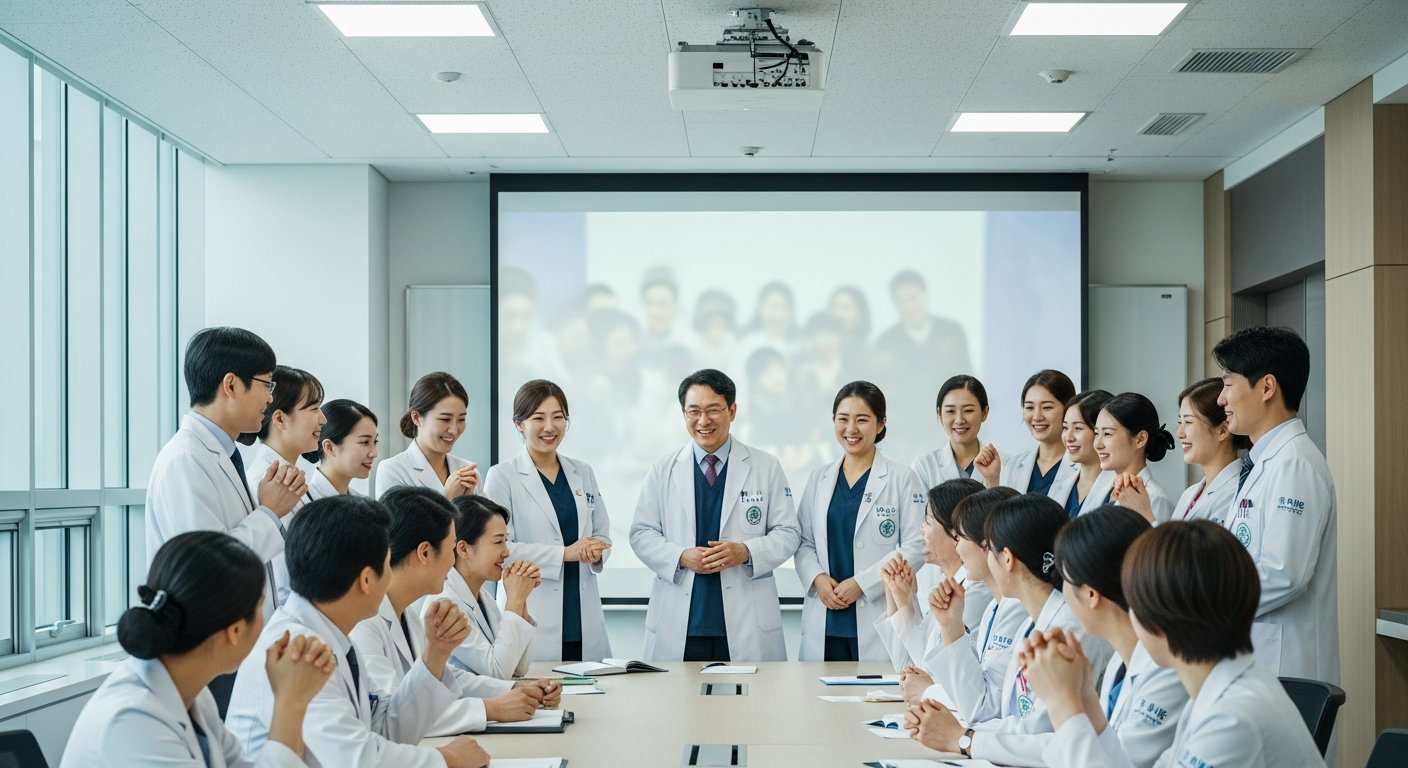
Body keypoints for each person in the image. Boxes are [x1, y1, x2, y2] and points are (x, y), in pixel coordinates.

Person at [1019, 521, 1325, 768]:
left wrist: (1063, 704)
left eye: (1133, 605)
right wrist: (1084, 697)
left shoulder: (1232, 719)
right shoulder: (1219, 689)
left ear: (1158, 623)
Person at [908, 506, 1188, 768]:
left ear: (1091, 594)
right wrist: (963, 736)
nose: (1059, 588)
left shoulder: (1072, 631)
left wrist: (964, 739)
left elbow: (1081, 747)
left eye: (1065, 579)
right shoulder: (1119, 660)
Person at [225, 495, 490, 768]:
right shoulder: (298, 649)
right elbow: (356, 760)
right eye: (388, 564)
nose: (391, 576)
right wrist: (446, 759)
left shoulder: (334, 636)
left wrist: (435, 654)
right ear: (365, 580)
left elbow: (387, 728)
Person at [61, 531, 334, 768]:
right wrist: (291, 701)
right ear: (235, 631)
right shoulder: (133, 722)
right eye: (261, 605)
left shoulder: (195, 694)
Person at [146, 327, 306, 709]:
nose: (270, 398)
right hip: (209, 648)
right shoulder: (187, 459)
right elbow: (209, 567)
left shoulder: (219, 453)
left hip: (236, 644)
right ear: (231, 385)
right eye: (266, 385)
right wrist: (270, 512)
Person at [911, 494, 1115, 762]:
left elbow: (1041, 731)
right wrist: (960, 734)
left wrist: (962, 738)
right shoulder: (1032, 623)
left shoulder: (1067, 629)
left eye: (988, 548)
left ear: (1007, 559)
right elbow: (1012, 718)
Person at [350, 487, 556, 738]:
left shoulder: (406, 615)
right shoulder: (363, 623)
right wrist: (489, 708)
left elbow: (446, 677)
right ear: (425, 552)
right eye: (449, 550)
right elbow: (392, 716)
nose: (452, 562)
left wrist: (515, 688)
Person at [629, 369, 802, 662]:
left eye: (713, 410)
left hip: (747, 619)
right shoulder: (663, 468)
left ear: (732, 411)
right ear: (683, 413)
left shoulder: (765, 466)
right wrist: (681, 556)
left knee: (750, 706)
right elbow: (641, 533)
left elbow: (789, 533)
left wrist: (746, 551)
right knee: (676, 706)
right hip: (681, 621)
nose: (703, 421)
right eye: (693, 411)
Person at [1214, 326, 1336, 684]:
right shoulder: (1263, 461)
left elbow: (1284, 572)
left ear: (1267, 387)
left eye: (1227, 383)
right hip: (1255, 655)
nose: (1221, 399)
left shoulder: (1294, 464)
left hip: (1284, 664)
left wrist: (1208, 600)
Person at [483, 380, 614, 663]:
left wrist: (596, 550)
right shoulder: (502, 476)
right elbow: (500, 550)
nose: (550, 427)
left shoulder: (583, 472)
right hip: (532, 610)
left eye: (558, 417)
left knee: (595, 700)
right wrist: (566, 554)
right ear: (519, 424)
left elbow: (602, 533)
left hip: (583, 615)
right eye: (538, 418)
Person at [795, 381, 926, 661]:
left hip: (880, 612)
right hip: (826, 617)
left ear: (881, 425)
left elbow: (917, 546)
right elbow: (803, 542)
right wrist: (818, 580)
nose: (851, 429)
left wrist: (863, 583)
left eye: (862, 420)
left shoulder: (902, 478)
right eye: (843, 419)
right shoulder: (819, 478)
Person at [899, 487, 1025, 718]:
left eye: (960, 537)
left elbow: (986, 704)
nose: (958, 548)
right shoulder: (993, 608)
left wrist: (929, 692)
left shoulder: (998, 604)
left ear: (987, 544)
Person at [873, 478, 987, 671]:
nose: (921, 530)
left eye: (928, 521)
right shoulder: (946, 582)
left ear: (957, 532)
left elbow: (928, 673)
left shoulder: (975, 594)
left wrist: (906, 602)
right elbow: (907, 667)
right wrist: (898, 595)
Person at [240, 366, 325, 607]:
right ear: (279, 418)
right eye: (314, 408)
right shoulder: (264, 481)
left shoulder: (289, 475)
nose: (323, 419)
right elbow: (280, 581)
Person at [868, 270, 972, 461]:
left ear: (925, 295)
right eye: (901, 301)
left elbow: (967, 380)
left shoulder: (951, 332)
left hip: (948, 427)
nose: (909, 306)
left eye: (913, 298)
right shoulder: (887, 340)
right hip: (904, 434)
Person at [436, 495, 542, 679]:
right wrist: (514, 600)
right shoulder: (445, 603)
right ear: (463, 549)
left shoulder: (483, 598)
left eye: (506, 541)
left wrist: (521, 599)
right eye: (498, 542)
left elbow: (518, 668)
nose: (506, 552)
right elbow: (499, 672)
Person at [1122, 380, 1248, 526]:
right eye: (1180, 423)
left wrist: (1145, 515)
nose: (1179, 434)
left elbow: (1192, 549)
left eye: (1188, 422)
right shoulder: (1190, 494)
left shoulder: (1236, 494)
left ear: (1223, 430)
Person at [378, 372, 480, 500]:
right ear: (416, 418)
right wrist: (448, 498)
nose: (454, 430)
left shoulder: (467, 471)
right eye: (445, 419)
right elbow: (399, 520)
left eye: (461, 419)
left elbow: (487, 519)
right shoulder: (393, 470)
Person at [994, 370, 1080, 501]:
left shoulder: (1083, 466)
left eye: (1047, 407)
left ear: (1068, 408)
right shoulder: (1013, 465)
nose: (1037, 417)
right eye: (1029, 408)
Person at [1094, 393, 1175, 524]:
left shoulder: (1155, 499)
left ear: (1140, 439)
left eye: (1107, 434)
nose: (1097, 444)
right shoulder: (1106, 488)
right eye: (1097, 433)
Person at [912, 375, 1001, 489]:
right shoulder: (924, 465)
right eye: (950, 411)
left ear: (985, 413)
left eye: (968, 410)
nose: (959, 420)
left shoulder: (1006, 464)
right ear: (939, 414)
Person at [306, 399, 379, 500]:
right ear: (329, 447)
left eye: (375, 442)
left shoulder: (364, 503)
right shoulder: (296, 505)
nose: (374, 453)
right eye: (364, 442)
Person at [1063, 390, 1115, 518]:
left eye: (1078, 428)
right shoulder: (1061, 483)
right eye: (1065, 427)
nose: (1068, 437)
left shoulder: (1117, 489)